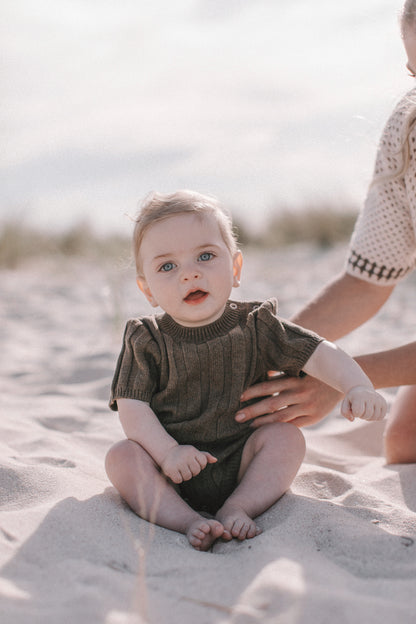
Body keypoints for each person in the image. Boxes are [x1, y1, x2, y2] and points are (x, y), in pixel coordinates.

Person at [105, 190, 387, 551]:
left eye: (205, 256)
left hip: (243, 461)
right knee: (122, 457)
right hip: (169, 468)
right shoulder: (147, 338)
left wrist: (356, 385)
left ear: (235, 268)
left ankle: (239, 506)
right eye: (167, 266)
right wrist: (167, 453)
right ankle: (183, 518)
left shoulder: (258, 325)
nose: (189, 273)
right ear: (148, 290)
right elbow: (133, 407)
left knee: (286, 439)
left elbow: (317, 352)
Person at [234, 0, 416, 465]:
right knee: (405, 442)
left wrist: (347, 378)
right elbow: (365, 282)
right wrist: (270, 355)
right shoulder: (408, 130)